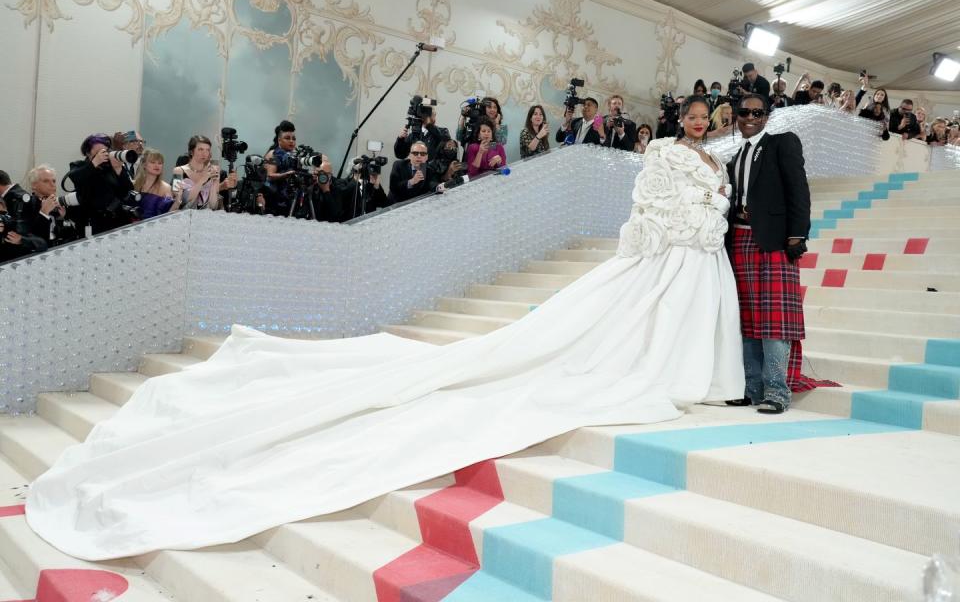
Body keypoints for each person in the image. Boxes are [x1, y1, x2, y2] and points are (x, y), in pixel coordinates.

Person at [25, 96, 745, 562]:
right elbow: (647, 209)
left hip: (700, 259)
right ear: (679, 117)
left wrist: (709, 222)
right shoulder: (659, 155)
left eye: (706, 118)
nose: (697, 123)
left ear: (715, 126)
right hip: (669, 251)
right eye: (690, 114)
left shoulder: (719, 160)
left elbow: (714, 203)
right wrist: (687, 226)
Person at [725, 94, 812, 414]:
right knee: (747, 319)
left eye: (757, 112)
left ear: (767, 116)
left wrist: (797, 235)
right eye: (744, 112)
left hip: (776, 241)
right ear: (736, 115)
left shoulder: (782, 142)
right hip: (740, 240)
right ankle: (752, 389)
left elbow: (799, 190)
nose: (750, 117)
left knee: (775, 321)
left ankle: (777, 392)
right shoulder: (735, 157)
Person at [63, 134, 136, 235]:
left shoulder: (112, 167)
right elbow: (76, 178)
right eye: (98, 152)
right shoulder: (78, 166)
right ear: (88, 152)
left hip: (117, 221)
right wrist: (94, 163)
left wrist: (118, 169)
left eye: (105, 151)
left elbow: (126, 192)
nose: (103, 155)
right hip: (92, 222)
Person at [0, 169, 47, 262]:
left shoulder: (16, 200)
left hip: (16, 260)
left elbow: (39, 241)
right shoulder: (18, 197)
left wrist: (21, 239)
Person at [172, 136, 224, 211]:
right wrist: (203, 179)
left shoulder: (212, 171)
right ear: (191, 151)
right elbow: (178, 200)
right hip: (184, 217)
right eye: (200, 149)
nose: (204, 153)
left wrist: (214, 182)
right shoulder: (178, 171)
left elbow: (213, 206)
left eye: (207, 150)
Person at [25, 164, 68, 247]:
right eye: (46, 181)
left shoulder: (57, 204)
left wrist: (62, 218)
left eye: (54, 181)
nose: (53, 185)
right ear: (34, 185)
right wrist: (44, 213)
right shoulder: (27, 204)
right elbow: (31, 238)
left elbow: (64, 235)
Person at [133, 148, 179, 219]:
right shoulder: (134, 184)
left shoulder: (166, 188)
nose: (157, 165)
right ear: (144, 165)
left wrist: (178, 199)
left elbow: (169, 214)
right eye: (153, 162)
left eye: (160, 163)